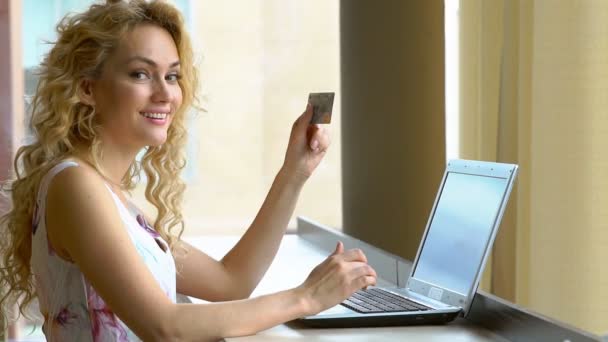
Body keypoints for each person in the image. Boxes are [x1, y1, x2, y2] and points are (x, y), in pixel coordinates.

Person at [0, 0, 377, 341]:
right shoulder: (75, 186)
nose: (166, 94)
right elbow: (164, 327)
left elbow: (231, 282)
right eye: (140, 74)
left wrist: (294, 172)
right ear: (87, 88)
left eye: (172, 75)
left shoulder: (105, 193)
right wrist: (306, 298)